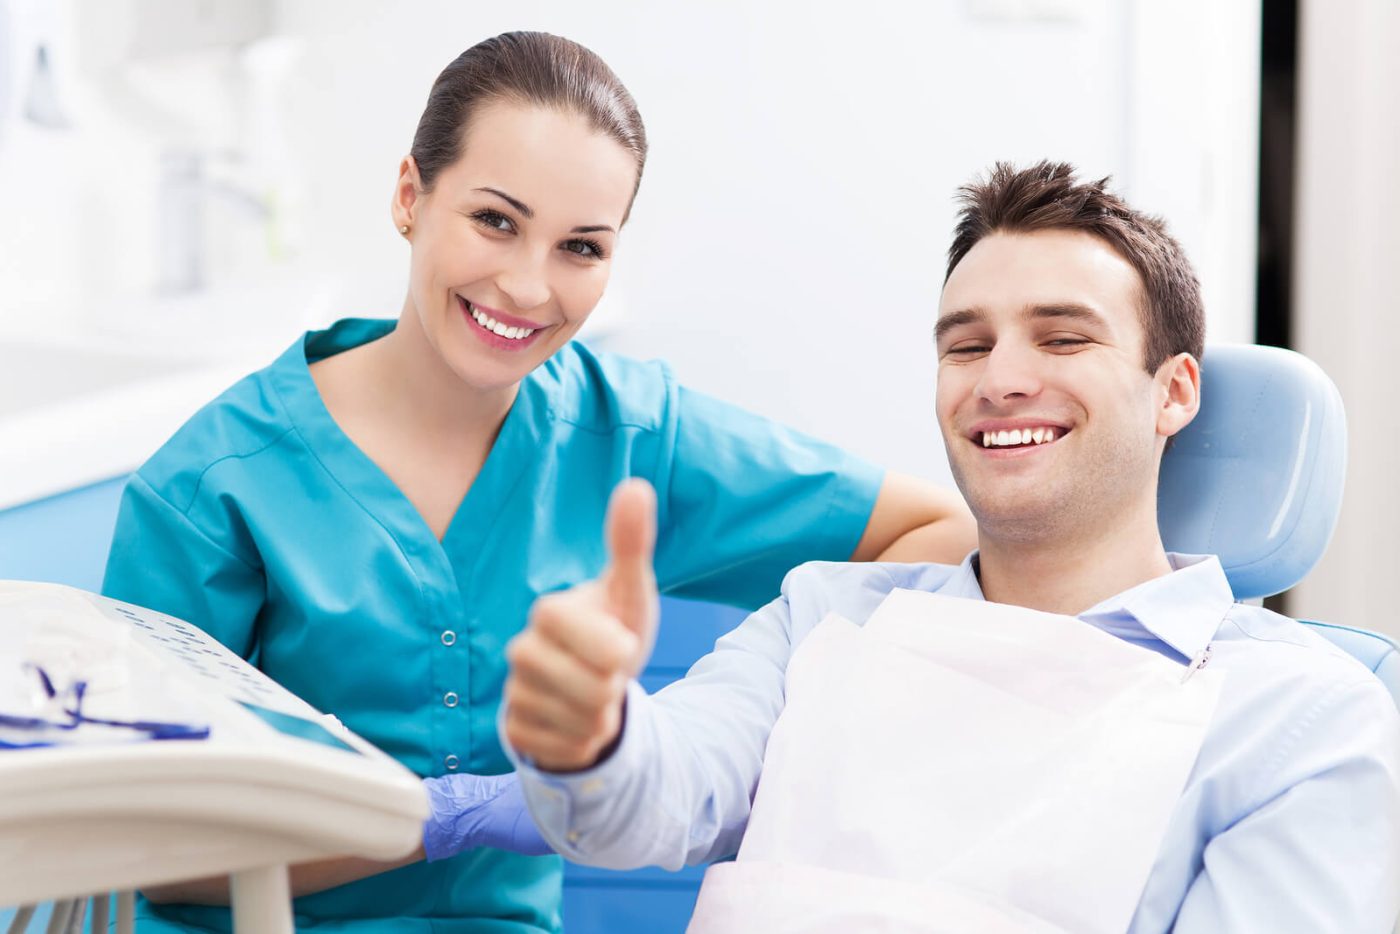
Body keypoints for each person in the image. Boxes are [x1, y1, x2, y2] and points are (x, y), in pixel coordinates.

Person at [98, 31, 976, 934]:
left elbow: (939, 537)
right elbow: (143, 847)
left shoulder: (629, 434)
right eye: (495, 221)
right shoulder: (215, 486)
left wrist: (706, 730)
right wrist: (438, 820)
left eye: (581, 248)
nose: (526, 285)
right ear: (410, 196)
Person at [501, 162, 1400, 932]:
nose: (1001, 380)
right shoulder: (822, 615)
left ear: (1173, 394)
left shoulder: (1300, 723)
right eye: (966, 346)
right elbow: (650, 803)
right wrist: (591, 735)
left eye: (1063, 337)